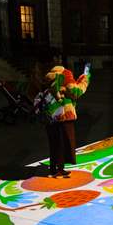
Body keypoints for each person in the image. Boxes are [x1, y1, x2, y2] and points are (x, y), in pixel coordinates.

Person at [32, 49, 90, 178]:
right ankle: (59, 169)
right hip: (64, 114)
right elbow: (75, 91)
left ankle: (54, 168)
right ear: (56, 59)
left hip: (49, 114)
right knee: (64, 142)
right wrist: (84, 79)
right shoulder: (64, 73)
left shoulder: (41, 74)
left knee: (54, 141)